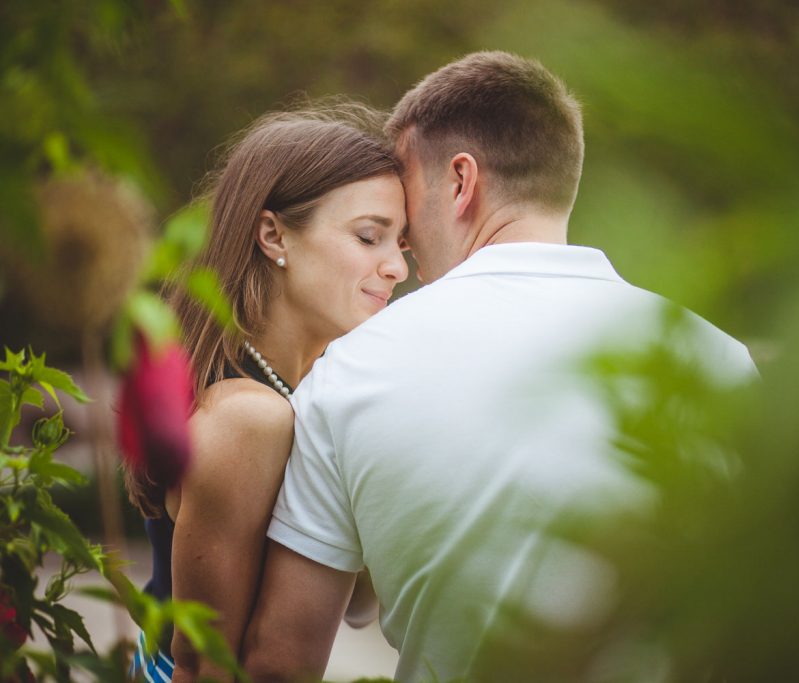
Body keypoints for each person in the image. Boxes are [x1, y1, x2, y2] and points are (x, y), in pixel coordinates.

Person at [242, 52, 757, 682]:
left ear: (461, 182)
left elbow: (278, 664)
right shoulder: (720, 363)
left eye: (408, 197)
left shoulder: (350, 374)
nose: (403, 245)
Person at [123, 104, 409, 680]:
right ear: (273, 234)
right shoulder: (249, 416)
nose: (398, 268)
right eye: (369, 237)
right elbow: (204, 665)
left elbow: (356, 607)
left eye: (403, 243)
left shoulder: (304, 394)